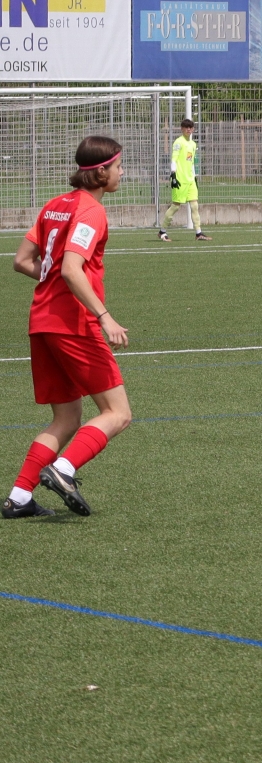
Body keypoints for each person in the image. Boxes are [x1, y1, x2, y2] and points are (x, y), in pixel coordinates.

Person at [7, 136, 135, 519]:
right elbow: (70, 268)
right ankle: (63, 470)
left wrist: (52, 281)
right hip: (72, 324)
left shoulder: (54, 205)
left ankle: (19, 497)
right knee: (118, 413)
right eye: (119, 166)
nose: (122, 172)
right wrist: (104, 315)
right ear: (101, 172)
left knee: (66, 419)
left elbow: (21, 261)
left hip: (42, 323)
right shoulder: (91, 211)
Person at [159, 117, 208, 241]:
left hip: (190, 180)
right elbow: (174, 159)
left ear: (193, 129)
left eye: (190, 127)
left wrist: (194, 176)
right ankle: (162, 231)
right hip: (180, 180)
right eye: (186, 127)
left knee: (194, 206)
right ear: (182, 129)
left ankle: (198, 233)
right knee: (175, 206)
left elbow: (191, 162)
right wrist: (173, 175)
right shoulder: (178, 142)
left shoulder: (193, 144)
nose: (188, 129)